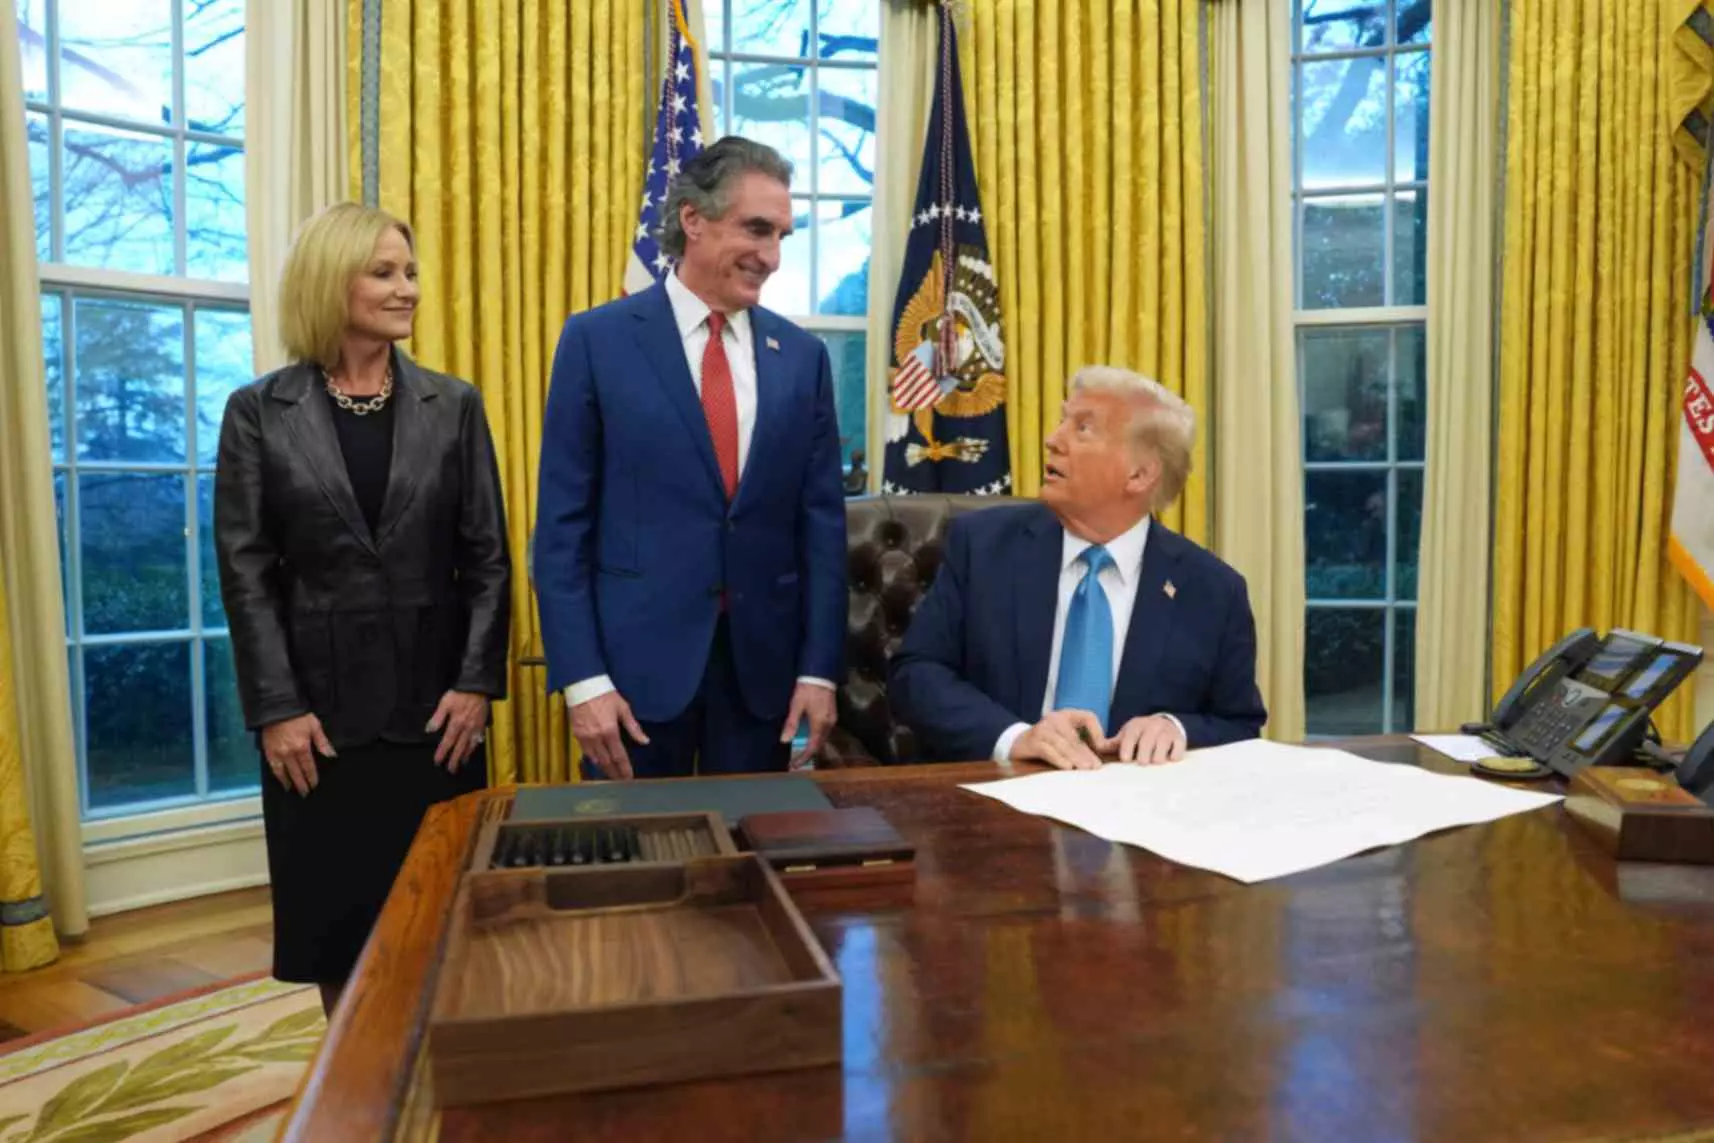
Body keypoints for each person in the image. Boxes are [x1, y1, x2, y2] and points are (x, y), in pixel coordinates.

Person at [213, 203, 510, 1014]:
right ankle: (357, 1071)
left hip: (437, 717)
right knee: (336, 931)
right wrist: (276, 707)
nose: (407, 287)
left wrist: (476, 683)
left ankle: (434, 1067)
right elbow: (245, 573)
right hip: (317, 726)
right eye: (384, 272)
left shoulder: (454, 405)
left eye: (409, 271)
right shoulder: (257, 412)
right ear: (329, 280)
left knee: (442, 919)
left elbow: (487, 558)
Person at [534, 136, 847, 780]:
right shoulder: (596, 341)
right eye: (756, 229)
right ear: (693, 219)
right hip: (631, 680)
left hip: (763, 680)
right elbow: (562, 530)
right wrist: (583, 680)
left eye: (782, 236)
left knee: (757, 842)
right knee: (638, 846)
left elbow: (821, 528)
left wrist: (819, 670)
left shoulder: (803, 359)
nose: (771, 256)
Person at [888, 365, 1266, 769]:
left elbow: (1239, 724)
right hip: (998, 792)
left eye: (1083, 429)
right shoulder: (982, 546)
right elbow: (916, 674)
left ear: (1139, 474)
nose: (1053, 440)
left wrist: (1177, 728)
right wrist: (1014, 738)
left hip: (1134, 800)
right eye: (1062, 420)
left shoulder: (1213, 591)